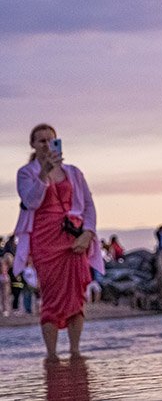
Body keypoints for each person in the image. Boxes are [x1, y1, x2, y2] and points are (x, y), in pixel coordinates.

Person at [13, 124, 104, 358]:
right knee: (51, 296)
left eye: (50, 140)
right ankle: (51, 354)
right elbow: (31, 202)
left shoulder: (74, 172)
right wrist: (43, 173)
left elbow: (88, 205)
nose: (46, 145)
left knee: (77, 294)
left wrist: (88, 233)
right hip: (44, 239)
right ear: (33, 145)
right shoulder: (26, 173)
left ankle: (75, 351)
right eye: (41, 141)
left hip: (73, 236)